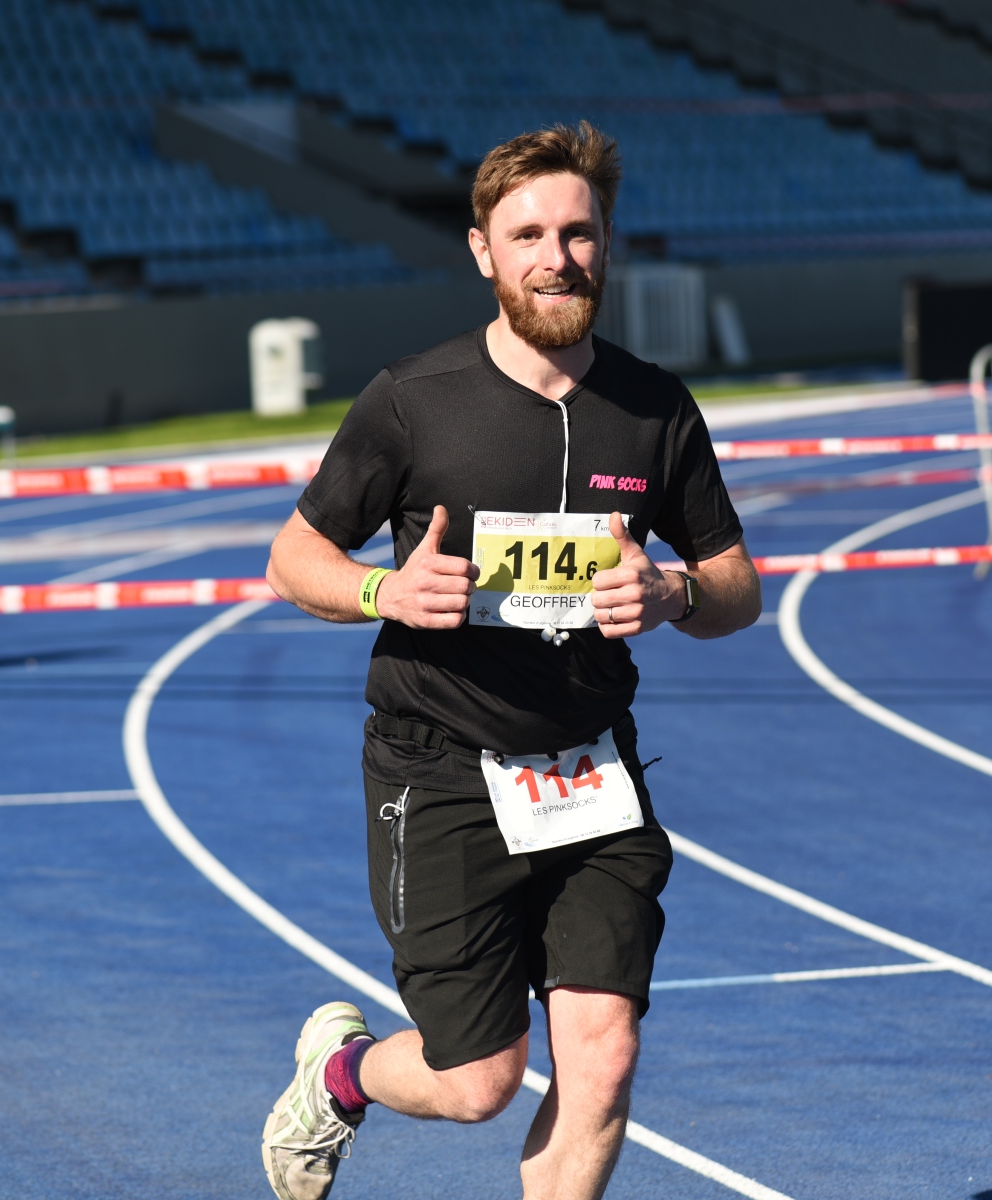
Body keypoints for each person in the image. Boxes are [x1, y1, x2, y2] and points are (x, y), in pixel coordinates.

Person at [259, 121, 762, 1200]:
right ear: (483, 251)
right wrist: (383, 592)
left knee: (602, 1059)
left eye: (577, 233)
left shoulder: (655, 408)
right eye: (528, 235)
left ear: (606, 243)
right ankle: (341, 1076)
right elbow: (292, 557)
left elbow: (737, 585)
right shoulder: (412, 400)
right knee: (478, 1079)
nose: (556, 257)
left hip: (589, 771)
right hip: (440, 770)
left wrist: (675, 594)